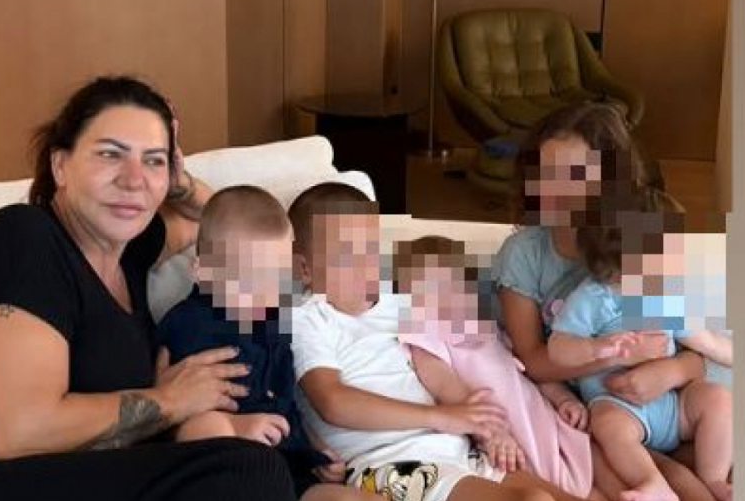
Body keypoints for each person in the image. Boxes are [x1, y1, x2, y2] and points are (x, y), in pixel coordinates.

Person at [0, 76, 296, 501]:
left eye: (152, 161)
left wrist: (179, 181)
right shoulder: (21, 237)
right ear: (60, 165)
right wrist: (168, 401)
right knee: (248, 471)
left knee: (255, 463)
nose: (134, 179)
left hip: (91, 473)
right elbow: (17, 432)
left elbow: (228, 226)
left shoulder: (129, 255)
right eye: (111, 154)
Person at [289, 182, 589, 501]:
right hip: (390, 466)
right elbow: (332, 402)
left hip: (456, 452)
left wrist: (488, 429)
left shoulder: (400, 305)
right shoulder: (308, 319)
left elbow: (438, 374)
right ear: (304, 269)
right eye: (346, 255)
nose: (365, 264)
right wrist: (440, 417)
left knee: (550, 495)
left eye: (370, 249)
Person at [494, 102, 718, 501]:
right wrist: (615, 356)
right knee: (656, 475)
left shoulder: (635, 244)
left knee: (708, 454)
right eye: (545, 173)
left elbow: (692, 346)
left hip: (659, 402)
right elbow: (532, 360)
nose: (556, 190)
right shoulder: (524, 254)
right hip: (580, 407)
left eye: (575, 176)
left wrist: (669, 371)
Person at [157, 185, 381, 501]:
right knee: (207, 425)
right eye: (250, 280)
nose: (265, 294)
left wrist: (316, 449)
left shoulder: (278, 321)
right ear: (203, 271)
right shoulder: (188, 324)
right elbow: (170, 414)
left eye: (276, 279)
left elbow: (288, 404)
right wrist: (236, 428)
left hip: (288, 468)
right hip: (223, 464)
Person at [548, 206, 732, 501]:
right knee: (607, 425)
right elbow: (558, 349)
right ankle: (651, 481)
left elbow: (703, 340)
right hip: (619, 405)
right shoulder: (593, 298)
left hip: (672, 405)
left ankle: (714, 478)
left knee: (718, 398)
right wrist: (596, 348)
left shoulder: (663, 294)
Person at [393, 235, 596, 499]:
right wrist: (492, 433)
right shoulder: (424, 337)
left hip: (542, 420)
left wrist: (564, 399)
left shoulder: (488, 329)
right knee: (542, 484)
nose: (443, 297)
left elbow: (529, 371)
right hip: (504, 433)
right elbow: (447, 389)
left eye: (452, 285)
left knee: (590, 475)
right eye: (427, 290)